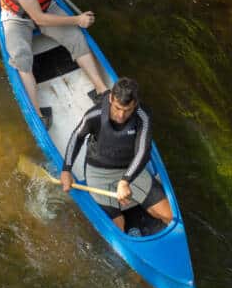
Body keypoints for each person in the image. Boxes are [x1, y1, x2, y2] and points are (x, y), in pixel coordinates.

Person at [0, 0, 108, 128]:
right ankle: (38, 114)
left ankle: (102, 89)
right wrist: (77, 20)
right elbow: (39, 19)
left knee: (76, 38)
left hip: (46, 6)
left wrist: (74, 23)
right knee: (22, 59)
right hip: (18, 17)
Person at [60, 77, 173, 233]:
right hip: (98, 173)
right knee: (118, 228)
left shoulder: (143, 116)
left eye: (127, 110)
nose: (121, 115)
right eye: (117, 108)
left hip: (130, 169)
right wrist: (66, 170)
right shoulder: (95, 114)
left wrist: (125, 180)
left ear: (136, 104)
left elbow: (143, 151)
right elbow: (76, 137)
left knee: (170, 217)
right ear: (111, 98)